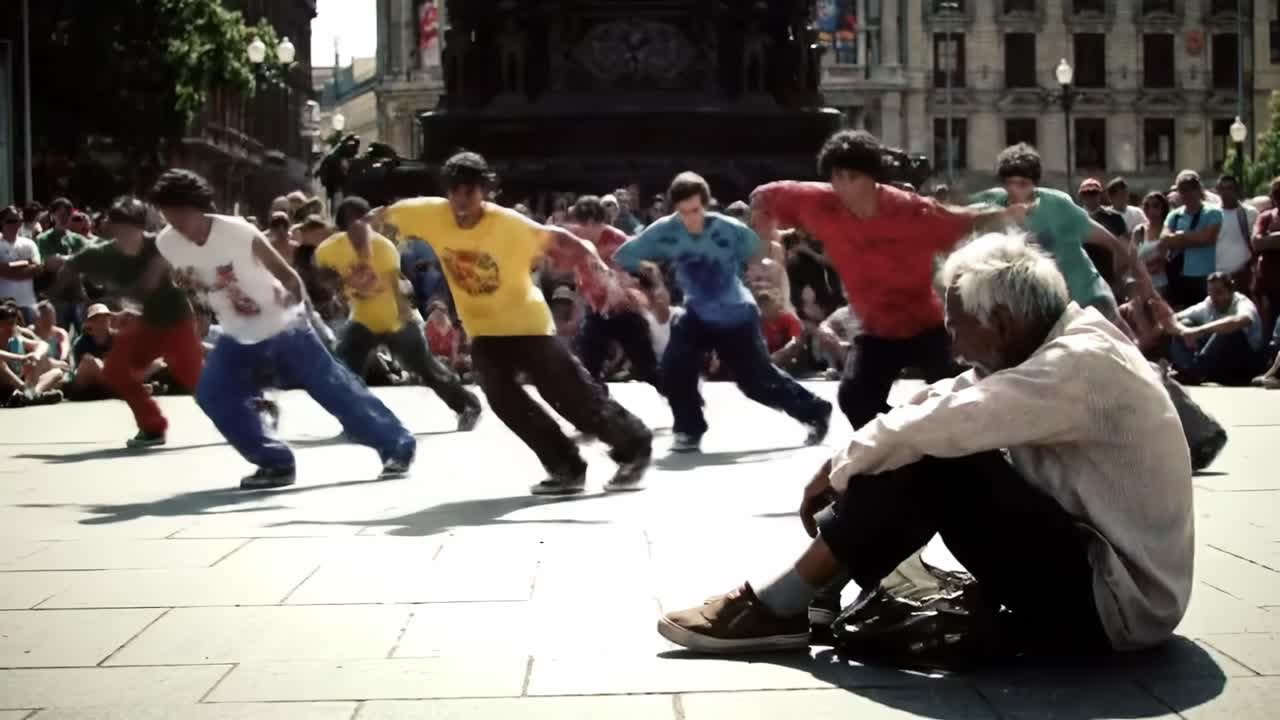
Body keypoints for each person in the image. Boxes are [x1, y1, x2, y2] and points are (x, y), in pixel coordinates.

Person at [656, 233, 1193, 658]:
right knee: (909, 437)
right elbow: (945, 398)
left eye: (956, 328)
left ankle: (782, 605)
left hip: (1115, 608)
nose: (952, 346)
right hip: (1104, 584)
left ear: (1002, 323)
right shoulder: (1057, 346)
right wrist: (848, 458)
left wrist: (843, 467)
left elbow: (945, 421)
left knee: (935, 455)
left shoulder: (1078, 365)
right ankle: (809, 595)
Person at [379, 151, 652, 495]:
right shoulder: (428, 213)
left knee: (568, 394)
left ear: (486, 192)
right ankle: (565, 466)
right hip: (484, 331)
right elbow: (379, 218)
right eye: (456, 192)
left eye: (471, 192)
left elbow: (565, 240)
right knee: (503, 400)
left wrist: (601, 271)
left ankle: (634, 447)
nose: (463, 201)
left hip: (527, 325)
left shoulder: (508, 223)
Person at [150, 169, 416, 489]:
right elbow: (188, 283)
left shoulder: (237, 232)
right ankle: (275, 462)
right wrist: (191, 300)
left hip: (283, 326)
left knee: (333, 389)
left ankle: (396, 444)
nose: (177, 225)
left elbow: (286, 273)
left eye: (181, 216)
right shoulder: (168, 243)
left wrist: (293, 297)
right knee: (212, 394)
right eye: (169, 218)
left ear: (199, 206)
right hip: (238, 333)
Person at [751, 130, 1023, 433]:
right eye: (836, 177)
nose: (842, 187)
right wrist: (764, 229)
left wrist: (1006, 215)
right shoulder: (818, 202)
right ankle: (904, 445)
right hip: (877, 331)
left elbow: (962, 219)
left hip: (927, 326)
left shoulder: (910, 210)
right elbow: (764, 195)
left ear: (872, 178)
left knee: (959, 391)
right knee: (855, 398)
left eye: (851, 178)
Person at [614, 171, 833, 452]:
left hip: (736, 315)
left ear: (704, 204)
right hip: (695, 314)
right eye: (682, 213)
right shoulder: (665, 230)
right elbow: (624, 254)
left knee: (755, 383)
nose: (689, 219)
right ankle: (689, 428)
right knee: (673, 367)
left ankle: (815, 410)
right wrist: (649, 269)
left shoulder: (729, 228)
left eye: (694, 211)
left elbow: (760, 248)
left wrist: (762, 265)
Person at [314, 196, 482, 429]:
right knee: (344, 368)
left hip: (397, 318)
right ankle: (357, 415)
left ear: (370, 223)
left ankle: (467, 405)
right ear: (342, 230)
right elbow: (323, 275)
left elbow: (399, 290)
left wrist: (407, 321)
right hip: (363, 320)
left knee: (425, 368)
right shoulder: (329, 250)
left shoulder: (384, 249)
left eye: (363, 226)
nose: (360, 235)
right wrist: (340, 282)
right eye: (352, 229)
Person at [53, 196, 205, 447]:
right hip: (149, 323)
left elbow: (192, 248)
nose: (125, 235)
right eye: (119, 229)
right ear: (112, 228)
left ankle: (253, 406)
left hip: (177, 320)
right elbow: (72, 264)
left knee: (196, 383)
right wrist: (56, 278)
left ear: (141, 228)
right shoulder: (103, 253)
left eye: (130, 229)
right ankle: (152, 426)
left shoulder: (159, 245)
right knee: (114, 370)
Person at [971, 144, 1142, 328]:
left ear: (1034, 185)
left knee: (1117, 350)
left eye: (1022, 184)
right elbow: (956, 214)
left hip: (1088, 298)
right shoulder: (993, 202)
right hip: (1047, 309)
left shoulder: (1057, 206)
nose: (1015, 190)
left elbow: (1111, 241)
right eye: (1009, 183)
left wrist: (1130, 282)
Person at [563, 195, 660, 389]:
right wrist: (576, 315)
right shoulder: (578, 245)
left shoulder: (619, 242)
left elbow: (644, 275)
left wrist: (632, 289)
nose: (573, 230)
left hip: (626, 312)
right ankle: (602, 412)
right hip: (597, 313)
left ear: (590, 222)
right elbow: (582, 284)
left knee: (648, 370)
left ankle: (684, 397)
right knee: (588, 373)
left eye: (577, 225)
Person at [1167, 272, 1266, 386]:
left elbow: (1242, 320)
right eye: (1210, 293)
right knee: (1185, 323)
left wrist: (1199, 331)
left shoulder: (1242, 302)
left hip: (1246, 362)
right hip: (1216, 362)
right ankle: (1188, 369)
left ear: (1231, 290)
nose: (1214, 299)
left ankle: (1197, 372)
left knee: (1227, 330)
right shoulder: (1209, 303)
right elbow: (1174, 318)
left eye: (1219, 293)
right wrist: (1184, 331)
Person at [1161, 170, 1222, 309]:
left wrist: (1180, 237)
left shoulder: (1213, 212)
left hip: (1204, 276)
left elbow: (1207, 238)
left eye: (1190, 189)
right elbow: (1164, 240)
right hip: (1178, 276)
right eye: (1182, 190)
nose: (1186, 194)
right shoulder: (1174, 215)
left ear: (1199, 189)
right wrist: (1193, 237)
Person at [1214, 174, 1259, 294]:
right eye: (1222, 188)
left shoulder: (1250, 213)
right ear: (1218, 191)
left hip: (1244, 274)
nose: (1226, 192)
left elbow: (1256, 242)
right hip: (1218, 276)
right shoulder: (1212, 214)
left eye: (1230, 188)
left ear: (1237, 190)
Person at [0, 205, 42, 324]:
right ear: (1, 222)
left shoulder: (29, 244)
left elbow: (37, 268)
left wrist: (7, 269)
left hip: (27, 304)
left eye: (19, 221)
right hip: (3, 306)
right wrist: (24, 263)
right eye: (11, 221)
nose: (15, 225)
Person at [1253, 177, 1280, 337]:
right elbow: (1256, 243)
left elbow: (1263, 241)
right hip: (1268, 285)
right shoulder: (1266, 217)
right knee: (1267, 331)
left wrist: (1269, 238)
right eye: (1276, 193)